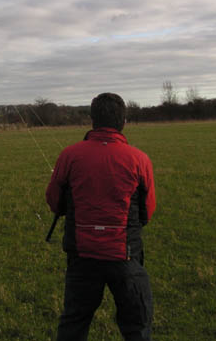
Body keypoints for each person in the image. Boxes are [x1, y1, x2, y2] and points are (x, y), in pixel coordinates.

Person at [46, 93, 156, 341]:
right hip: (125, 256)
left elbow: (54, 202)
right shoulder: (140, 159)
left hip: (82, 256)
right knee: (137, 325)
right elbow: (148, 211)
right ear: (124, 122)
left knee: (74, 322)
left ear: (92, 120)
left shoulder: (69, 155)